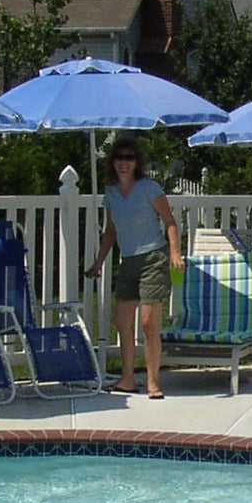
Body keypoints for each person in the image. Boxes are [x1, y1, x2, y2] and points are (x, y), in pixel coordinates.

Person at [85, 138, 183, 398]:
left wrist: (174, 252)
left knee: (149, 323)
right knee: (122, 321)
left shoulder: (149, 188)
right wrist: (99, 262)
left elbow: (170, 222)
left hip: (153, 258)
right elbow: (110, 232)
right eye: (119, 157)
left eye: (129, 158)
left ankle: (152, 382)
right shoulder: (111, 194)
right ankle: (127, 379)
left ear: (137, 162)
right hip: (128, 261)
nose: (123, 162)